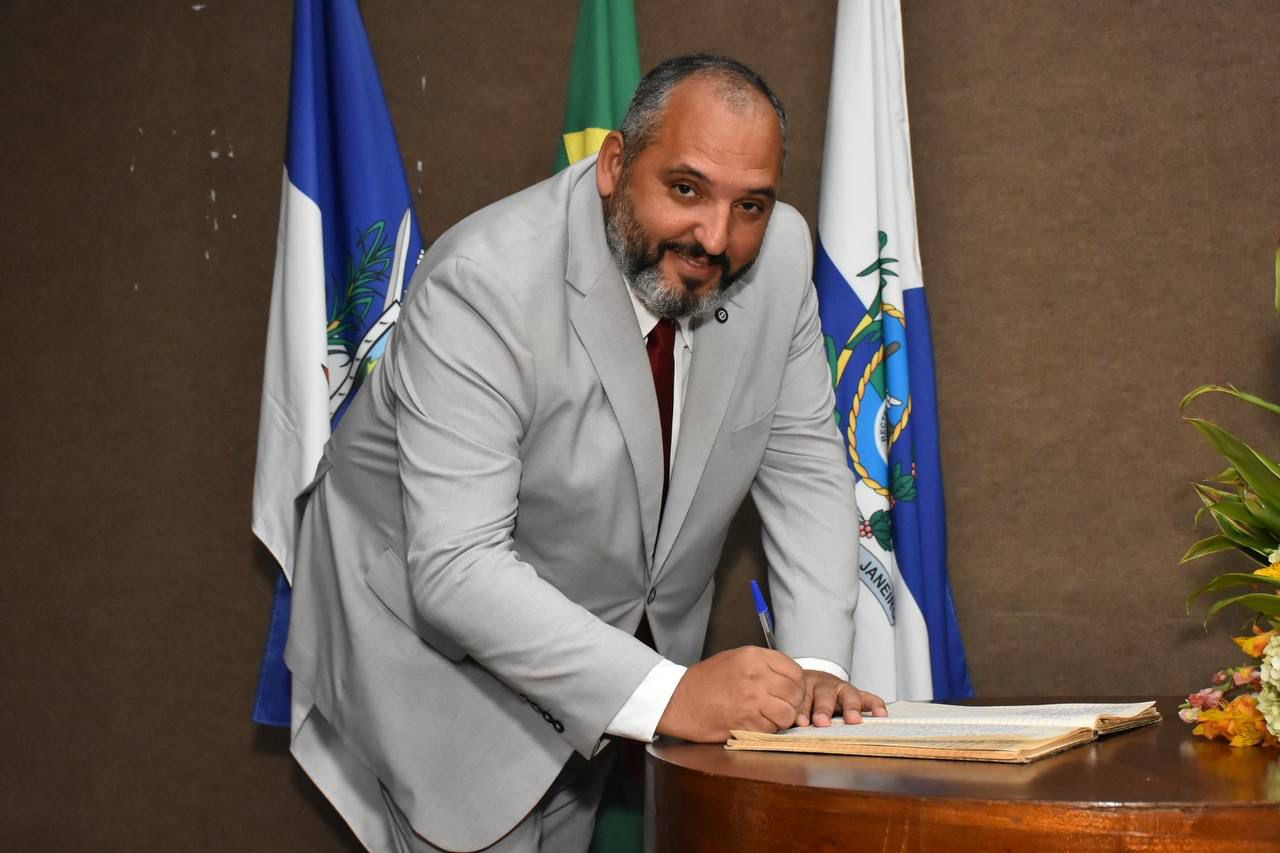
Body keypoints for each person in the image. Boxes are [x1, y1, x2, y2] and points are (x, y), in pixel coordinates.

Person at [285, 53, 885, 853]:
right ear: (614, 165)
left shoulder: (778, 260)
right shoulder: (484, 281)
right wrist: (672, 694)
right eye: (686, 189)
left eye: (751, 204)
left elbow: (806, 466)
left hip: (604, 667)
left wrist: (810, 672)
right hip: (437, 657)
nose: (716, 237)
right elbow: (457, 567)